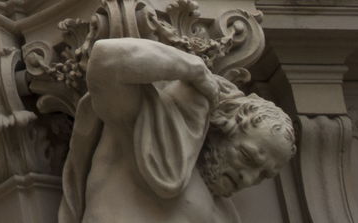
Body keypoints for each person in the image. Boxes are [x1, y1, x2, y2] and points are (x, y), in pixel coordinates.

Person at [60, 37, 296, 223]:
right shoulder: (147, 136)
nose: (249, 178)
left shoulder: (224, 216)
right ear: (221, 127)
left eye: (263, 175)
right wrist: (192, 69)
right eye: (247, 157)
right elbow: (106, 59)